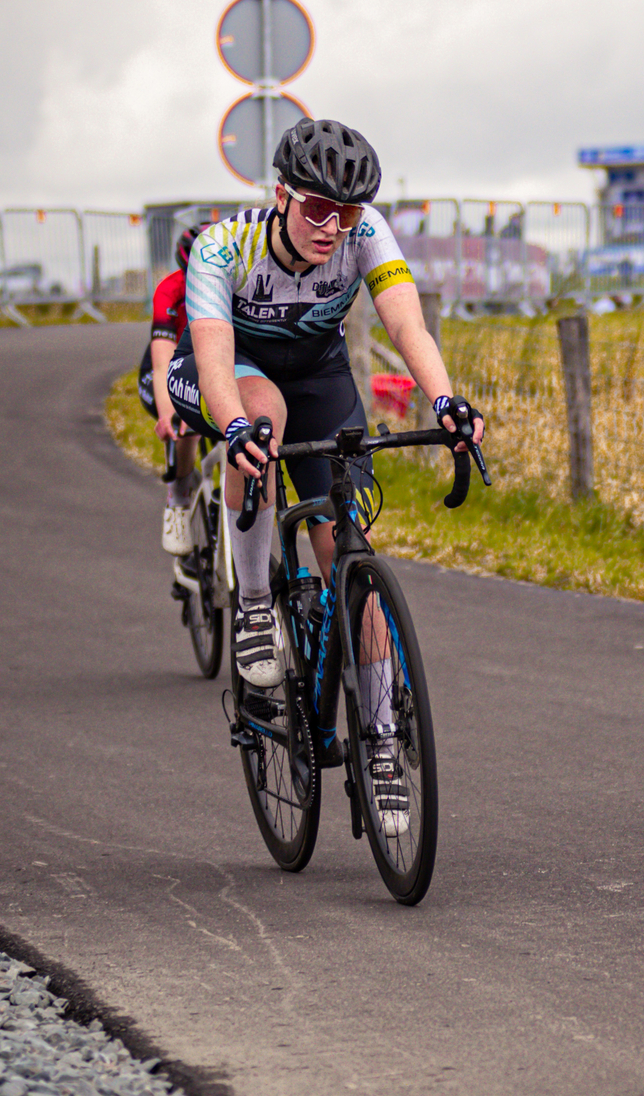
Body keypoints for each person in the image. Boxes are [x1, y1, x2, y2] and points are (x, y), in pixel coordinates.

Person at [165, 121, 482, 740]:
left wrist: (445, 400)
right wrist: (233, 427)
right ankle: (255, 604)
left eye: (346, 211)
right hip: (229, 368)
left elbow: (407, 326)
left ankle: (385, 741)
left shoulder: (365, 233)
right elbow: (210, 355)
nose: (330, 226)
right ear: (280, 196)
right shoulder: (221, 249)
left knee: (347, 552)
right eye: (316, 207)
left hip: (317, 375)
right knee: (261, 422)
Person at [140, 225, 205, 553]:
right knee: (186, 421)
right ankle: (178, 496)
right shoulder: (171, 289)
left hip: (206, 361)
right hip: (164, 367)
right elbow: (163, 364)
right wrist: (168, 413)